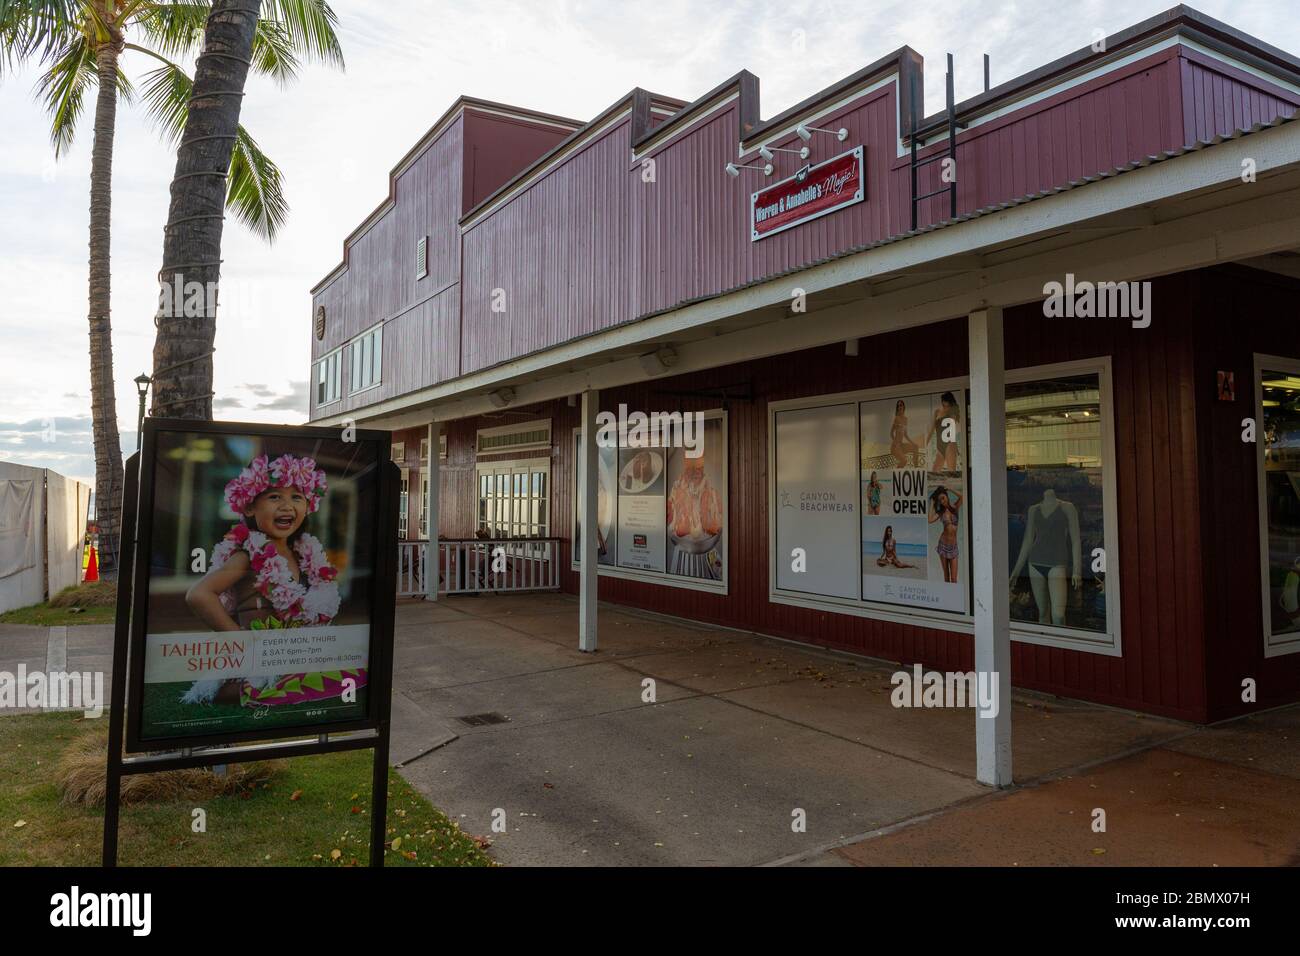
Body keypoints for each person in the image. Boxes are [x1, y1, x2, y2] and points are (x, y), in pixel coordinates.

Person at [183, 453, 361, 708]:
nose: (287, 506)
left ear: (308, 506)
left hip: (299, 653)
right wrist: (242, 641)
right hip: (263, 660)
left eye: (296, 497)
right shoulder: (247, 557)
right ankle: (246, 689)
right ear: (249, 507)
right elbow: (199, 595)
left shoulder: (304, 555)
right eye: (275, 496)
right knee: (285, 683)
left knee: (350, 667)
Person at [928, 485, 963, 583]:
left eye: (943, 498)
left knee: (954, 579)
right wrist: (932, 503)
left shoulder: (955, 507)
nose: (942, 501)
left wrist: (950, 488)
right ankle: (948, 597)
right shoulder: (941, 513)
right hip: (943, 546)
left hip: (953, 547)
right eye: (940, 500)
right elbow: (930, 520)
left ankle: (954, 597)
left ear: (947, 496)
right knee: (947, 578)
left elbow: (962, 497)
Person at [925, 392, 961, 472]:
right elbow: (932, 429)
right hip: (940, 446)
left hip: (950, 444)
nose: (946, 408)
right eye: (944, 405)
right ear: (942, 402)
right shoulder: (937, 412)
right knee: (934, 472)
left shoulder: (953, 412)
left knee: (951, 472)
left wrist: (956, 448)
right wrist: (926, 443)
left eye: (948, 406)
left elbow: (953, 430)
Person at [889, 400, 922, 467]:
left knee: (915, 447)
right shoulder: (896, 418)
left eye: (901, 405)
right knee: (904, 461)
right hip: (895, 446)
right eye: (898, 406)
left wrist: (913, 443)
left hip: (901, 445)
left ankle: (916, 468)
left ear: (904, 406)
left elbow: (905, 435)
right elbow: (891, 433)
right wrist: (896, 444)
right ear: (897, 408)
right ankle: (897, 474)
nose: (899, 407)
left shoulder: (905, 419)